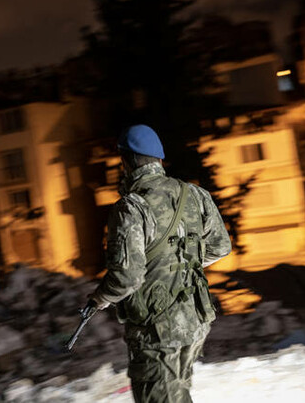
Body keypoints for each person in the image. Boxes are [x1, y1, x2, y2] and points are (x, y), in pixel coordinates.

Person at [89, 125, 231, 403]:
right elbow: (220, 247)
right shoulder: (195, 195)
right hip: (194, 320)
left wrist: (99, 298)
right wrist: (178, 262)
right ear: (158, 159)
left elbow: (126, 278)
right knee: (177, 395)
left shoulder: (132, 206)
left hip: (156, 329)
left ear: (126, 161)